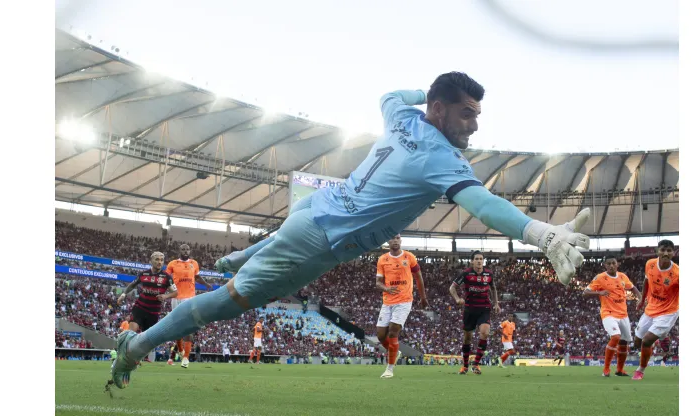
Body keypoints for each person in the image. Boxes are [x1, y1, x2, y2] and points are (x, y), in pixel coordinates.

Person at [110, 72, 591, 389]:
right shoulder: (440, 157)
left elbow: (390, 95)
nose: (474, 125)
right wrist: (542, 235)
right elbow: (482, 204)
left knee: (274, 253)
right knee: (222, 304)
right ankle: (135, 348)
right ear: (441, 110)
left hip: (314, 209)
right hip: (321, 239)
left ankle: (241, 256)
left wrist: (428, 93)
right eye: (466, 112)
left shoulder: (402, 117)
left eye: (477, 115)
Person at [109, 252, 176, 388]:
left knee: (145, 344)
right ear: (151, 261)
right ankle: (119, 362)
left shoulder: (166, 277)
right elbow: (132, 285)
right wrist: (123, 294)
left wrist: (165, 296)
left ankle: (130, 365)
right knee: (129, 335)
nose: (159, 262)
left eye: (162, 260)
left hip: (153, 312)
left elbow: (176, 293)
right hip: (140, 308)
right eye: (157, 259)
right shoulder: (143, 274)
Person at [374, 234, 428, 378]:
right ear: (388, 241)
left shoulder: (409, 257)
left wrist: (423, 297)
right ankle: (395, 351)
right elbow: (378, 282)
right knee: (380, 335)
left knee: (393, 332)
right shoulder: (382, 259)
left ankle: (389, 369)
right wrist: (386, 289)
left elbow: (418, 277)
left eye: (397, 238)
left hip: (404, 300)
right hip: (387, 301)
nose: (395, 240)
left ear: (401, 240)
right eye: (392, 238)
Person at [583, 256, 641, 377]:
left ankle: (619, 370)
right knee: (615, 337)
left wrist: (640, 298)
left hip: (623, 314)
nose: (611, 265)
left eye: (613, 263)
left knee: (624, 343)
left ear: (617, 264)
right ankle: (606, 369)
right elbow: (585, 293)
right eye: (608, 264)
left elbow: (633, 288)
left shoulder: (622, 276)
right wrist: (599, 292)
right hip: (608, 313)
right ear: (605, 265)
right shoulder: (600, 278)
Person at [632, 239, 679, 380]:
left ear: (674, 253)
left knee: (646, 341)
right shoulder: (650, 264)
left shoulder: (677, 273)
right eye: (663, 249)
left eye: (669, 250)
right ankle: (662, 337)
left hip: (668, 311)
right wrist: (642, 299)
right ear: (657, 251)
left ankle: (640, 370)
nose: (666, 253)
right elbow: (647, 281)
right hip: (651, 308)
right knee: (637, 342)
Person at [449, 250, 499, 375]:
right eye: (476, 259)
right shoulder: (466, 274)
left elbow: (493, 288)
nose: (479, 261)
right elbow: (452, 287)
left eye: (481, 259)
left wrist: (496, 303)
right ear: (472, 261)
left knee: (485, 333)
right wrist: (457, 299)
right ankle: (465, 366)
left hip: (484, 308)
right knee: (467, 339)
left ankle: (476, 364)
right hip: (469, 309)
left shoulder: (489, 274)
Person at [166, 244, 212, 369]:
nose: (185, 251)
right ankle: (180, 350)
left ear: (190, 251)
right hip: (176, 297)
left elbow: (197, 277)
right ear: (179, 251)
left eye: (187, 249)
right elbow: (166, 278)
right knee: (177, 329)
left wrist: (206, 284)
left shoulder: (194, 263)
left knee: (189, 327)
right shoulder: (173, 264)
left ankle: (186, 357)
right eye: (183, 249)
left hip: (190, 298)